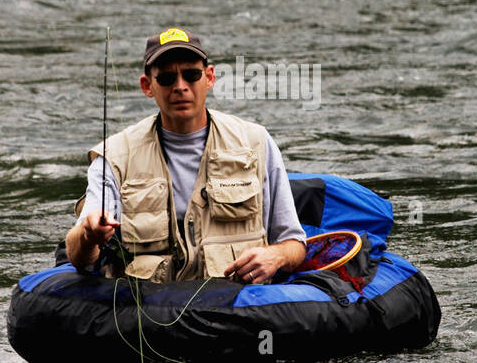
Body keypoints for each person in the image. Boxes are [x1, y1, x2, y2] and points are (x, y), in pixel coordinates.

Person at [66, 27, 306, 284]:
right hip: (152, 311)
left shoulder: (257, 142)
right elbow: (77, 254)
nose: (180, 87)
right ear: (147, 86)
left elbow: (294, 244)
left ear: (210, 78)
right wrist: (89, 234)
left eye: (191, 75)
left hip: (239, 308)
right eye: (167, 79)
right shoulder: (113, 157)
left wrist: (275, 256)